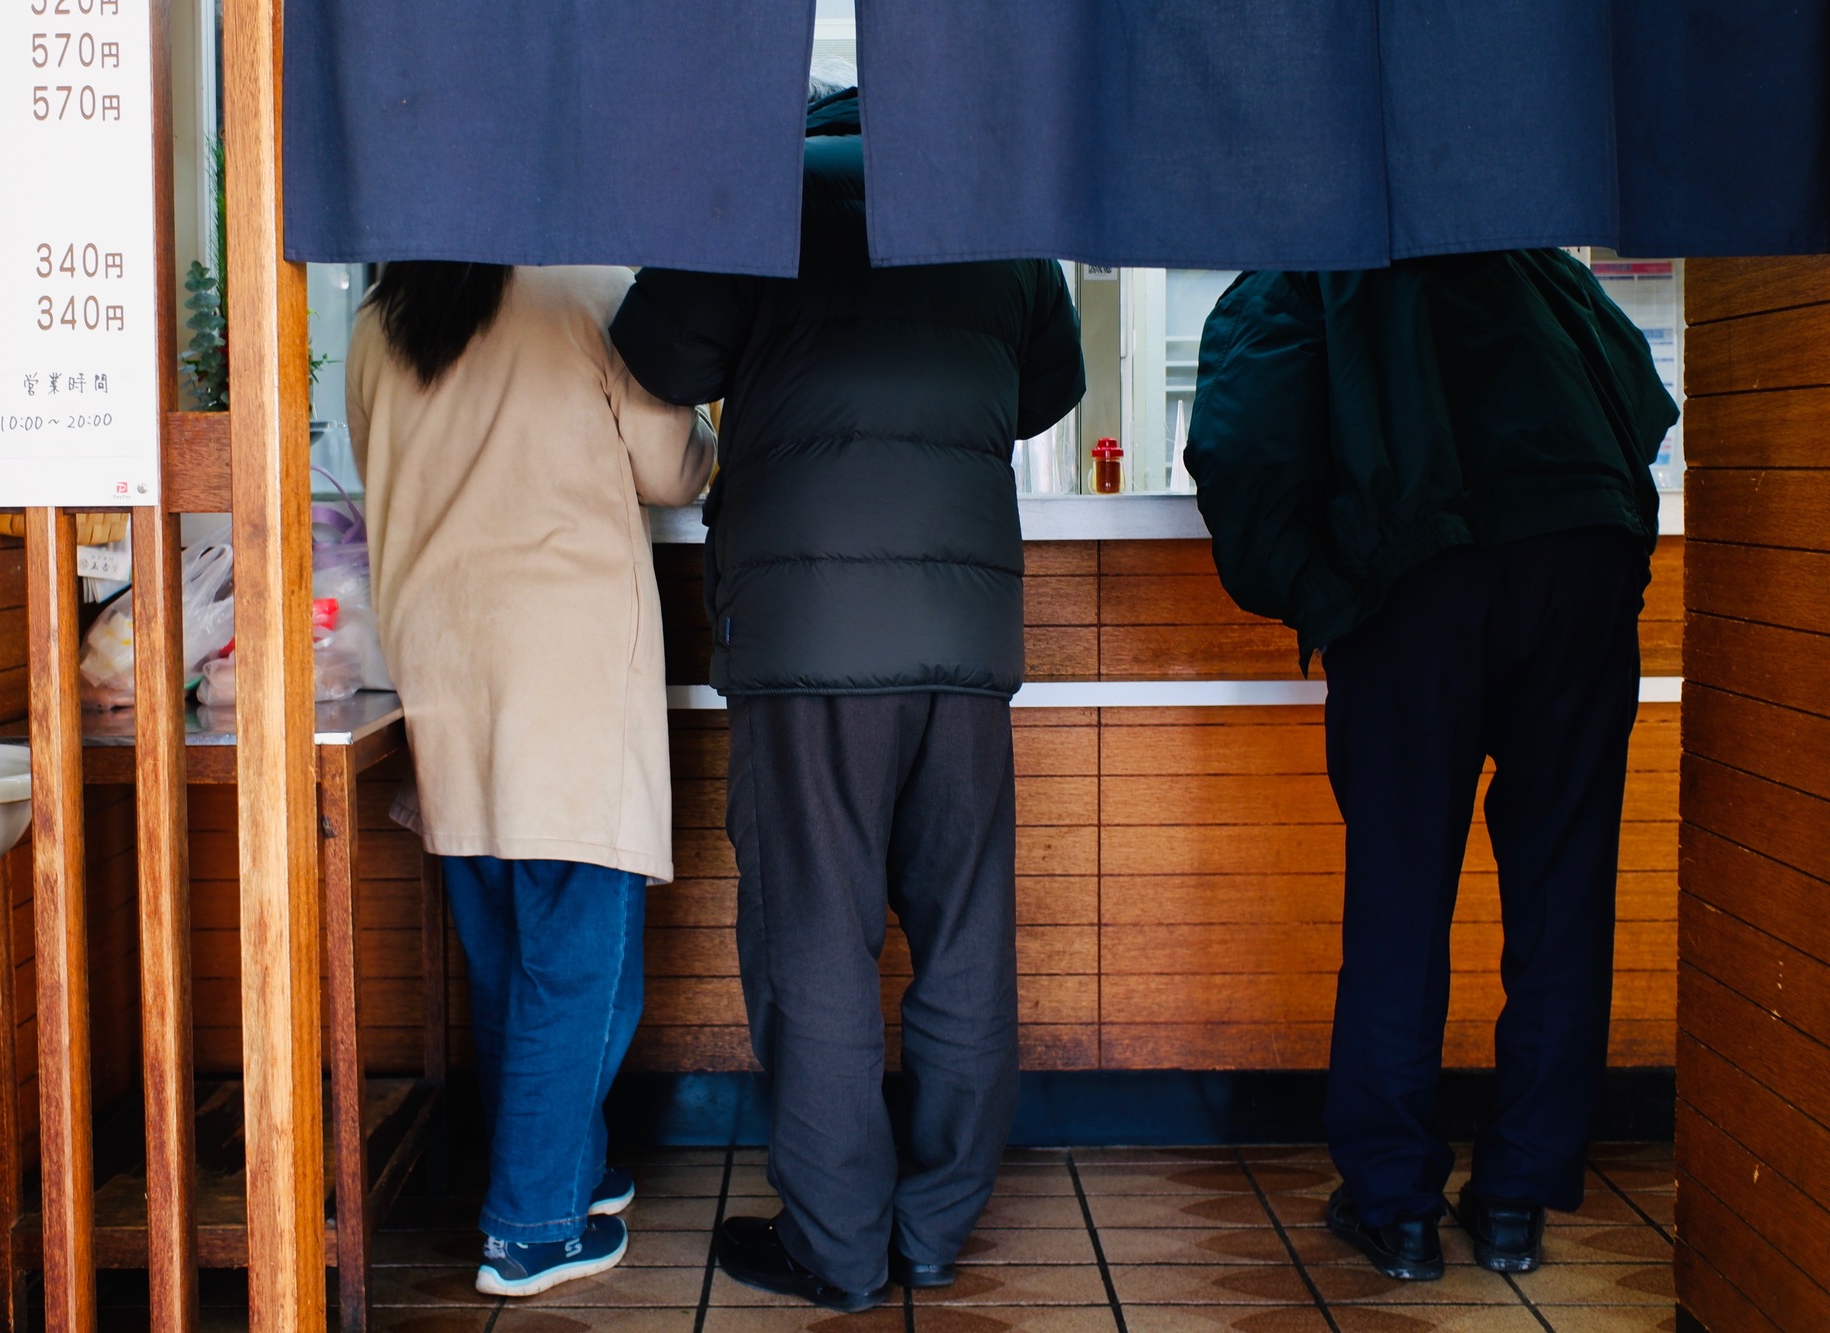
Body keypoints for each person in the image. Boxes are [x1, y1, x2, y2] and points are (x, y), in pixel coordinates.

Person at [608, 84, 1084, 1313]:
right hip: (965, 642)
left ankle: (836, 1245)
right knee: (963, 938)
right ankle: (932, 1227)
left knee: (813, 943)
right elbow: (1044, 390)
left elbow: (652, 355)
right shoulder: (998, 222)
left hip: (809, 636)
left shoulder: (754, 197)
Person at [1185, 249, 1677, 1281]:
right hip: (1578, 569)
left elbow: (1239, 453)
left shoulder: (1297, 268)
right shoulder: (1535, 261)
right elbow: (1639, 397)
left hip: (1418, 585)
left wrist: (1327, 593)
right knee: (1561, 894)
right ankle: (1514, 1202)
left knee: (1400, 899)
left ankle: (1394, 1207)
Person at [348, 261, 714, 1296]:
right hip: (563, 666)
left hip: (443, 665)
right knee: (581, 961)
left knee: (511, 956)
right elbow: (669, 467)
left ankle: (571, 1170)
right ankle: (533, 1224)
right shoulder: (586, 295)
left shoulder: (384, 319)